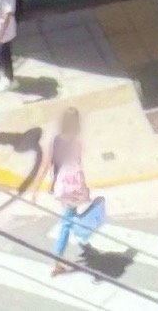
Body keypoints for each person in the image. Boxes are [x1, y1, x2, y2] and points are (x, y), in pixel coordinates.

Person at [42, 102, 104, 267]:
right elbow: (77, 167)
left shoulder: (56, 140)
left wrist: (51, 182)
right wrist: (84, 188)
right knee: (66, 223)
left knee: (70, 216)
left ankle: (81, 243)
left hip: (61, 187)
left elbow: (51, 162)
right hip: (72, 188)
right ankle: (57, 261)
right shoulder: (77, 143)